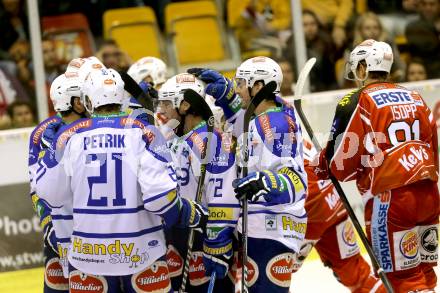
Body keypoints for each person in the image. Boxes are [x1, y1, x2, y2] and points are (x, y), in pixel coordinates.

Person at [35, 68, 206, 292]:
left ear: (88, 100)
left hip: (88, 255)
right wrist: (190, 214)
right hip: (142, 252)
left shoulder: (68, 136)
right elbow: (160, 199)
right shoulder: (145, 132)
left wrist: (49, 157)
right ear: (121, 97)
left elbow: (51, 196)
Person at [314, 39, 439, 293]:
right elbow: (432, 148)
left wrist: (322, 163)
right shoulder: (415, 97)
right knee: (424, 272)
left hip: (393, 200)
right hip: (429, 194)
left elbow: (340, 164)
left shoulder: (357, 99)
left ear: (363, 68)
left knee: (402, 279)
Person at [189, 56, 308, 292]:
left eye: (241, 84)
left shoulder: (276, 123)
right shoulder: (261, 118)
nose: (237, 89)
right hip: (258, 227)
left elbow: (296, 180)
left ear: (259, 86)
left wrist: (267, 181)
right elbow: (242, 123)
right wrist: (226, 98)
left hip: (273, 230)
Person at [156, 73, 238, 292]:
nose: (161, 110)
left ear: (184, 105)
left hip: (204, 239)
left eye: (166, 103)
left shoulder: (209, 139)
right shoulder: (173, 139)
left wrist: (217, 241)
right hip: (177, 237)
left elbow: (223, 193)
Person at [293, 140, 385, 293]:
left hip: (308, 208)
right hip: (332, 197)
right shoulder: (291, 131)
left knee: (270, 274)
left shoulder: (256, 134)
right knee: (358, 276)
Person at [28, 71, 88, 293]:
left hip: (94, 235)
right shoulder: (41, 133)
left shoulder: (99, 125)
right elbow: (35, 188)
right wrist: (47, 224)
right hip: (62, 234)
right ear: (75, 101)